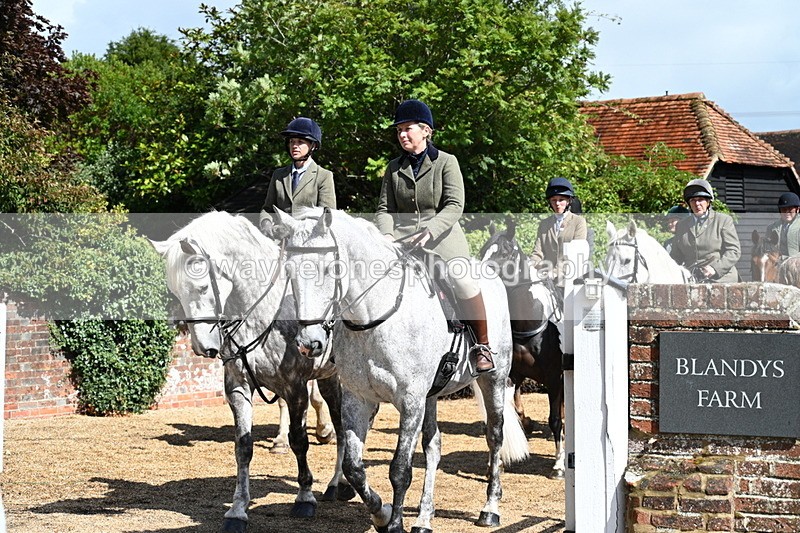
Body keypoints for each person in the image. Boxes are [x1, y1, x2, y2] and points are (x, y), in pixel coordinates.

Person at [375, 99, 494, 373]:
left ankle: (481, 346)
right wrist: (386, 236)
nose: (402, 134)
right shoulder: (393, 168)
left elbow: (454, 205)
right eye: (399, 130)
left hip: (442, 239)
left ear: (426, 131)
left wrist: (430, 230)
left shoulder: (446, 162)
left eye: (408, 129)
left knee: (462, 280)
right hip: (402, 242)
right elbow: (384, 209)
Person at [259, 117, 336, 236]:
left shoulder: (324, 176)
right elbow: (268, 209)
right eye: (292, 142)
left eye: (300, 142)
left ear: (313, 146)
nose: (295, 146)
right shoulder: (278, 175)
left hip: (308, 239)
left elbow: (326, 215)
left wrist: (293, 229)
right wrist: (266, 222)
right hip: (280, 240)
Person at [670, 179, 741, 282]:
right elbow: (676, 256)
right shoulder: (682, 225)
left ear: (708, 202)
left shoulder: (723, 220)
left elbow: (734, 251)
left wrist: (715, 269)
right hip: (692, 279)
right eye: (693, 200)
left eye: (700, 199)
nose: (697, 204)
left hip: (721, 278)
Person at [529, 177, 588, 283]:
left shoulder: (578, 222)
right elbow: (538, 252)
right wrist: (531, 266)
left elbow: (576, 255)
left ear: (568, 201)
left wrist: (556, 272)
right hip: (546, 278)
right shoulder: (544, 224)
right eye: (554, 200)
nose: (557, 204)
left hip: (570, 279)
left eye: (561, 200)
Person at [766, 192, 800, 258]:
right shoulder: (771, 228)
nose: (787, 212)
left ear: (797, 209)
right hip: (777, 264)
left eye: (790, 209)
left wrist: (786, 259)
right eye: (783, 209)